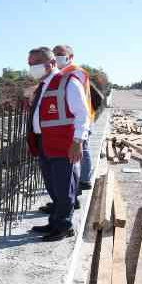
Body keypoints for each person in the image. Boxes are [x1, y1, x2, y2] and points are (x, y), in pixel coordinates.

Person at [26, 46, 90, 241]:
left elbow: (82, 114)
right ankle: (54, 222)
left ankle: (64, 227)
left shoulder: (68, 82)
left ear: (51, 63)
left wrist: (78, 141)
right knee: (53, 187)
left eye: (36, 63)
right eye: (30, 64)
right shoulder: (43, 85)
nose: (32, 67)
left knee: (64, 189)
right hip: (45, 142)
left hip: (64, 144)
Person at [54, 44, 94, 190]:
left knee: (83, 146)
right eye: (55, 53)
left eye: (60, 53)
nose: (56, 56)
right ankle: (82, 179)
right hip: (76, 116)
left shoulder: (76, 72)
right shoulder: (64, 72)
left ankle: (84, 180)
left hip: (81, 116)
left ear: (70, 56)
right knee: (82, 147)